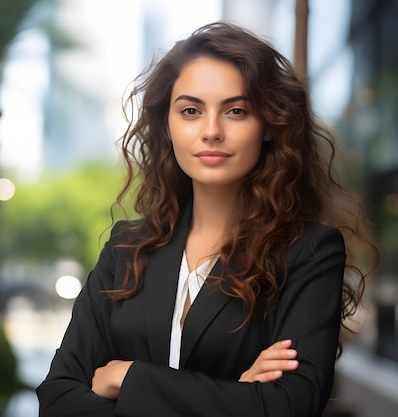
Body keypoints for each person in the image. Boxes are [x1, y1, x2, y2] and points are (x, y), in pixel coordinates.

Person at [37, 21, 379, 417]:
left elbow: (290, 406)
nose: (211, 131)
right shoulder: (127, 248)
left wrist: (127, 378)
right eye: (191, 111)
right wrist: (233, 397)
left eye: (236, 110)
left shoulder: (308, 252)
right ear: (168, 124)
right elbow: (58, 399)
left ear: (268, 125)